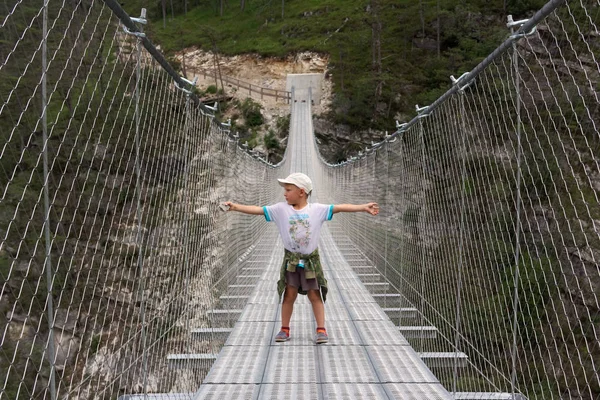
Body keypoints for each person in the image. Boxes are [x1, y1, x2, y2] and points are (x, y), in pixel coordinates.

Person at [224, 172, 379, 344]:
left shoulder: (317, 210)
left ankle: (321, 329)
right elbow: (259, 210)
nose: (284, 193)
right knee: (289, 294)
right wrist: (235, 207)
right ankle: (284, 329)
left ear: (302, 192)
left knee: (314, 294)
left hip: (310, 261)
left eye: (288, 190)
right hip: (291, 261)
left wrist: (363, 207)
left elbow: (340, 207)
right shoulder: (281, 209)